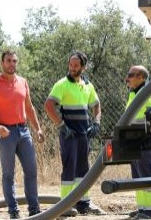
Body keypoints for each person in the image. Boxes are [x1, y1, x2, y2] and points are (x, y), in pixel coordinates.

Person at [0, 50, 45, 219]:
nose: (12, 64)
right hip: (6, 133)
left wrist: (37, 128)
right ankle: (13, 211)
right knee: (8, 174)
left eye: (14, 61)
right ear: (2, 63)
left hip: (23, 131)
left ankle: (34, 210)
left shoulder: (23, 82)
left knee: (31, 170)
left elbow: (30, 107)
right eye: (8, 61)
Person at [44, 51, 105, 215]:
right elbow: (49, 106)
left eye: (76, 65)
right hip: (69, 135)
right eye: (70, 65)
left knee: (83, 170)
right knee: (69, 169)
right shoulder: (62, 84)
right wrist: (62, 126)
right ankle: (65, 206)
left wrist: (96, 122)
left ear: (83, 67)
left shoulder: (88, 85)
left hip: (84, 134)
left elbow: (97, 106)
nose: (72, 68)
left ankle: (84, 204)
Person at [125, 65, 151, 219]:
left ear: (141, 77)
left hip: (144, 141)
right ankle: (143, 208)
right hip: (134, 141)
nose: (127, 78)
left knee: (147, 173)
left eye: (131, 75)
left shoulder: (146, 95)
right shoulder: (134, 94)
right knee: (138, 175)